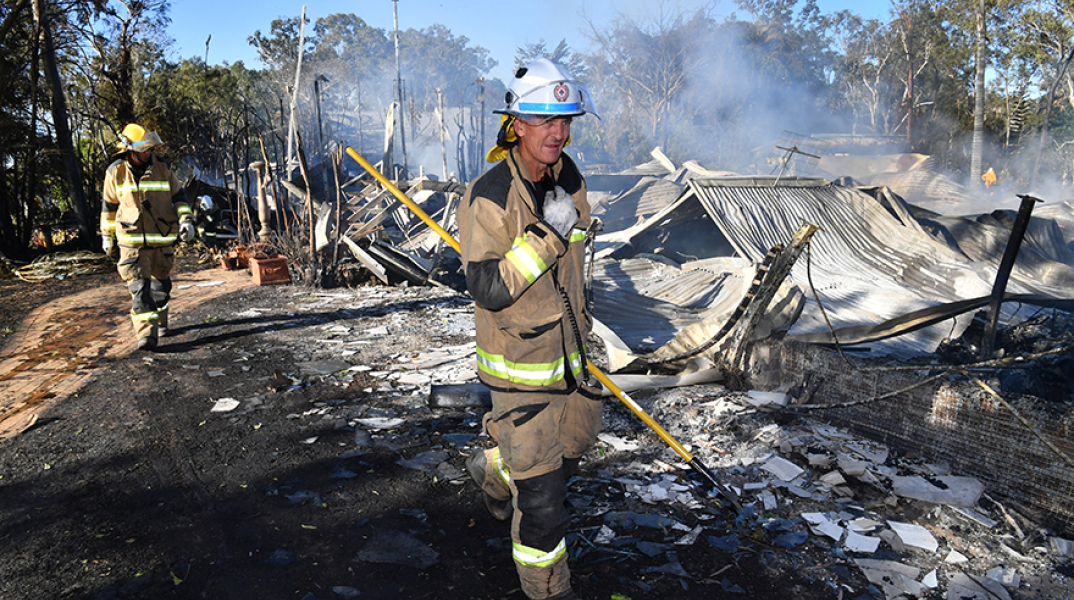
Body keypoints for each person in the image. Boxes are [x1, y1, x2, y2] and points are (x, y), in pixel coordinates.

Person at [458, 58, 602, 600]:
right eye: (546, 121)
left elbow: (576, 266)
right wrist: (546, 235)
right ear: (517, 124)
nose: (559, 133)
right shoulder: (490, 194)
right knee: (543, 506)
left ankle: (494, 464)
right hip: (520, 372)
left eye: (566, 121)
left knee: (574, 449)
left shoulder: (570, 175)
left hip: (571, 360)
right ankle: (548, 590)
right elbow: (490, 288)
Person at [100, 123, 195, 351]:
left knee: (161, 289)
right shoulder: (116, 172)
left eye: (149, 148)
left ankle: (161, 323)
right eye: (143, 149)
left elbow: (179, 197)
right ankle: (147, 337)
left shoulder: (162, 168)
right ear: (129, 150)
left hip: (162, 240)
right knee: (140, 290)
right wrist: (107, 236)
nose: (148, 152)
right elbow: (108, 206)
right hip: (132, 243)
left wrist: (186, 221)